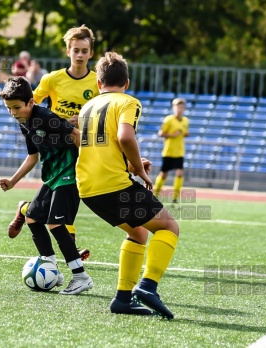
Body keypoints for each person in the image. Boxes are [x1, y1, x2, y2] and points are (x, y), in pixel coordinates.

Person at [76, 52, 179, 318]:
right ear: (127, 82)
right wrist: (143, 176)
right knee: (168, 227)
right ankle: (148, 286)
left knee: (138, 233)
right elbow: (125, 137)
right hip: (113, 185)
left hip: (87, 187)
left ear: (98, 83)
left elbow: (102, 148)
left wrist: (133, 166)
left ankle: (123, 299)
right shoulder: (128, 102)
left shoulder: (87, 107)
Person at [7, 24, 99, 262]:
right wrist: (55, 123)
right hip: (57, 150)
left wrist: (85, 119)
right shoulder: (52, 79)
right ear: (68, 51)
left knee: (73, 197)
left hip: (83, 145)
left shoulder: (97, 83)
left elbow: (103, 115)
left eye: (84, 50)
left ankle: (27, 209)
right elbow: (30, 106)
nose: (79, 55)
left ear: (91, 53)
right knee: (66, 196)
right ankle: (72, 252)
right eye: (75, 49)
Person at [0, 76, 93, 295]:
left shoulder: (44, 117)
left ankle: (81, 277)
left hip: (69, 173)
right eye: (9, 108)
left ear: (31, 103)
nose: (13, 112)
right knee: (32, 217)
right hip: (52, 176)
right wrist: (13, 181)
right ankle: (52, 270)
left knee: (55, 224)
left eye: (16, 107)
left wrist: (84, 166)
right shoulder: (25, 122)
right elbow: (33, 156)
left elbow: (76, 134)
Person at [153, 98, 190, 203]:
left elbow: (185, 132)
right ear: (174, 108)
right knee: (163, 174)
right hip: (168, 151)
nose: (179, 109)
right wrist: (173, 135)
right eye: (177, 107)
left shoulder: (186, 121)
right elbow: (161, 133)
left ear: (184, 108)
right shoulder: (168, 120)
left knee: (179, 173)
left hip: (179, 152)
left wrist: (186, 134)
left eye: (181, 107)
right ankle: (155, 194)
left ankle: (175, 197)